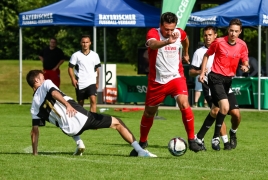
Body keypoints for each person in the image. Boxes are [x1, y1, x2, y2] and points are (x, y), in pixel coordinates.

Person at [26, 69, 157, 157]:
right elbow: (54, 93)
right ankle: (140, 151)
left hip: (69, 130)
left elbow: (35, 131)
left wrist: (35, 153)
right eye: (42, 77)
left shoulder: (34, 107)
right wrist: (67, 105)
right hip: (81, 118)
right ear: (37, 81)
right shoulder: (46, 84)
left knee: (66, 122)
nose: (44, 78)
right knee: (117, 123)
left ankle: (79, 143)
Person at [130, 12, 202, 156]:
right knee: (149, 113)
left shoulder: (179, 33)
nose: (170, 32)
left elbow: (185, 38)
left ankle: (192, 139)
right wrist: (167, 41)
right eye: (166, 29)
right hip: (157, 81)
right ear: (160, 25)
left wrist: (186, 53)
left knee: (184, 104)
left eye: (172, 29)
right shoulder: (153, 33)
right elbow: (152, 45)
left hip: (176, 77)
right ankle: (143, 141)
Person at [198, 19, 249, 151]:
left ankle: (200, 137)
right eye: (231, 30)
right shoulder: (219, 42)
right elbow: (206, 55)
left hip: (228, 81)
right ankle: (216, 137)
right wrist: (202, 72)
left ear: (240, 32)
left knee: (233, 114)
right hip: (215, 78)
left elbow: (245, 60)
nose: (233, 33)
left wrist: (245, 66)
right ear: (228, 30)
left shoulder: (242, 45)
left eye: (236, 31)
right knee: (224, 107)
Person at [189, 26, 241, 150]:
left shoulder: (224, 45)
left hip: (225, 83)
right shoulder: (199, 52)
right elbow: (191, 71)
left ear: (215, 35)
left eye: (210, 35)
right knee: (217, 109)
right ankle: (221, 141)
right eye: (205, 35)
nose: (208, 37)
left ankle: (229, 134)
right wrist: (201, 72)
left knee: (236, 114)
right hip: (209, 84)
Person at [68, 35, 101, 113]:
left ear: (90, 43)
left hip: (91, 81)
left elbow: (98, 69)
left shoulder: (95, 55)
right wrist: (73, 79)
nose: (85, 44)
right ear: (80, 43)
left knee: (93, 99)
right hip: (80, 82)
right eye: (83, 42)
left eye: (87, 42)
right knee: (80, 102)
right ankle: (80, 120)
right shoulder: (76, 55)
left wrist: (97, 82)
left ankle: (93, 119)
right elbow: (70, 68)